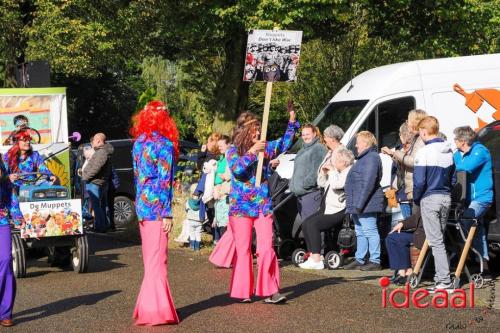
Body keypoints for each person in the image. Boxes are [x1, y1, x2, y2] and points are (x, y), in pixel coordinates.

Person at [226, 102, 299, 304]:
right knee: (243, 250)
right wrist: (252, 152)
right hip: (240, 208)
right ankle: (243, 291)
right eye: (254, 131)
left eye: (258, 130)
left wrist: (292, 121)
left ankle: (270, 290)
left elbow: (285, 144)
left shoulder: (265, 149)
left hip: (262, 205)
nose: (257, 134)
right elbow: (237, 170)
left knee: (267, 247)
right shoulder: (233, 151)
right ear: (244, 131)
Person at [130, 100, 180, 325]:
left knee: (150, 259)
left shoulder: (138, 143)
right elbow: (164, 181)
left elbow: (137, 178)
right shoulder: (165, 145)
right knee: (158, 260)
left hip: (142, 206)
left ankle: (147, 307)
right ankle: (156, 311)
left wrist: (140, 205)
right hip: (158, 207)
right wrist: (167, 212)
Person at [413, 116, 454, 292]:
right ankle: (441, 278)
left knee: (436, 241)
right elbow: (452, 178)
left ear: (423, 131)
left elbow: (419, 182)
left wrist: (417, 198)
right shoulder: (448, 151)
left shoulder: (424, 152)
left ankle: (444, 281)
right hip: (446, 197)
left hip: (430, 198)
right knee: (439, 240)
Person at [299, 148, 354, 269]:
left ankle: (317, 259)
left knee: (314, 225)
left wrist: (333, 171)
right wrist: (323, 173)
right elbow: (322, 184)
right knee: (306, 223)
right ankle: (313, 254)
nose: (333, 163)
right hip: (326, 208)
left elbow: (336, 185)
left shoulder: (348, 172)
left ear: (343, 162)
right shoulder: (337, 172)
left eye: (335, 160)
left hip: (338, 210)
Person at [452, 125, 493, 278]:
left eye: (456, 139)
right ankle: (484, 266)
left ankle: (465, 261)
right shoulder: (458, 153)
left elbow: (465, 168)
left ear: (463, 141)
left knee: (466, 221)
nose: (454, 141)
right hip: (466, 199)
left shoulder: (480, 151)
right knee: (478, 230)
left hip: (481, 198)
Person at [344, 131, 384, 271]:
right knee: (360, 231)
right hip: (359, 202)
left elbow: (368, 183)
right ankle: (360, 259)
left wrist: (359, 204)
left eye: (358, 142)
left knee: (370, 231)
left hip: (366, 203)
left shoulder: (371, 158)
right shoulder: (364, 158)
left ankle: (375, 260)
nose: (356, 145)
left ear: (366, 143)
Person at [3, 130, 56, 227]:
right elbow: (3, 174)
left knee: (49, 186)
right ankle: (18, 220)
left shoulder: (34, 155)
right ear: (16, 142)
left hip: (32, 185)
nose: (28, 142)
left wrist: (50, 175)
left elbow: (43, 168)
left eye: (29, 140)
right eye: (24, 140)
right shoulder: (8, 156)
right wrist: (9, 176)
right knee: (12, 190)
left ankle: (53, 216)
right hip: (16, 186)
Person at [381, 109, 428, 214]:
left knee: (413, 224)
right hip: (410, 192)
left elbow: (413, 162)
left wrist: (394, 153)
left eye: (408, 120)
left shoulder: (420, 141)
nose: (407, 122)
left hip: (413, 191)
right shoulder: (418, 140)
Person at [288, 124, 327, 221]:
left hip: (311, 194)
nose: (305, 137)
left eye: (308, 134)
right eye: (303, 135)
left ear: (314, 134)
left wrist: (305, 184)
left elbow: (316, 170)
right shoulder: (302, 150)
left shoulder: (318, 148)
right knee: (306, 227)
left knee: (312, 226)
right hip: (301, 195)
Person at [82, 133, 114, 233]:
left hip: (95, 182)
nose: (92, 143)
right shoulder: (102, 151)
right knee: (102, 206)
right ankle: (103, 226)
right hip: (100, 182)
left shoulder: (101, 152)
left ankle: (100, 227)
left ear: (99, 141)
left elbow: (96, 167)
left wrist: (85, 177)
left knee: (97, 206)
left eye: (94, 140)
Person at [386, 211, 425, 285]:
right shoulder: (427, 203)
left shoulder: (431, 203)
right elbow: (417, 217)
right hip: (420, 233)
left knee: (395, 238)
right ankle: (404, 271)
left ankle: (405, 273)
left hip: (426, 236)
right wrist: (402, 223)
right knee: (391, 237)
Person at [0, 158, 15, 327]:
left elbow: (12, 199)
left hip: (1, 221)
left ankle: (5, 312)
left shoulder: (3, 177)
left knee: (5, 260)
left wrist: (21, 219)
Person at [213, 135, 231, 241]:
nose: (219, 148)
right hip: (221, 192)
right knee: (221, 219)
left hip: (226, 193)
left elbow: (231, 173)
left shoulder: (229, 155)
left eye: (221, 145)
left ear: (228, 144)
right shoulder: (223, 157)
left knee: (225, 221)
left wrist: (225, 176)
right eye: (218, 146)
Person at [186, 184, 204, 252]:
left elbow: (186, 209)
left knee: (192, 233)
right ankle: (197, 248)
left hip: (191, 220)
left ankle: (192, 246)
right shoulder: (201, 203)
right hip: (199, 221)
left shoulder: (188, 202)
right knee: (198, 233)